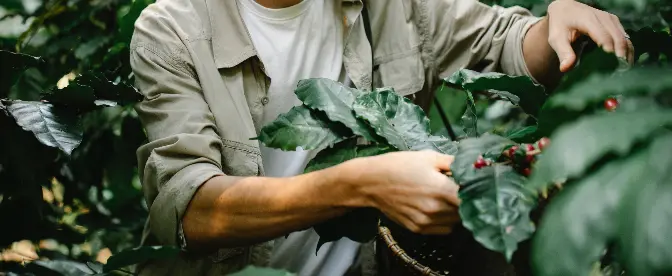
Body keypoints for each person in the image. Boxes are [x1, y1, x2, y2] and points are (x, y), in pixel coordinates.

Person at [129, 0, 633, 275]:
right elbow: (191, 210)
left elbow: (506, 43)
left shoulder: (393, 6)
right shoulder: (173, 29)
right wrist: (359, 184)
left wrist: (556, 24)